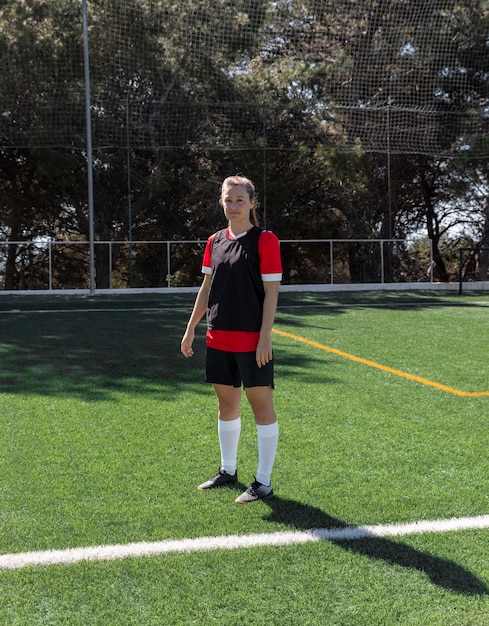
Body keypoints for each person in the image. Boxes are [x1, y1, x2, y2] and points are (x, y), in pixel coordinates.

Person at [181, 175, 282, 504]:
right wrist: (191, 327)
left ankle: (263, 482)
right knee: (226, 406)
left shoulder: (265, 241)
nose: (233, 205)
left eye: (240, 199)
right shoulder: (214, 241)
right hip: (218, 337)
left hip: (252, 341)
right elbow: (207, 288)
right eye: (228, 199)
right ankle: (228, 470)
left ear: (253, 203)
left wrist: (265, 337)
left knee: (261, 409)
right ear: (221, 202)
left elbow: (271, 292)